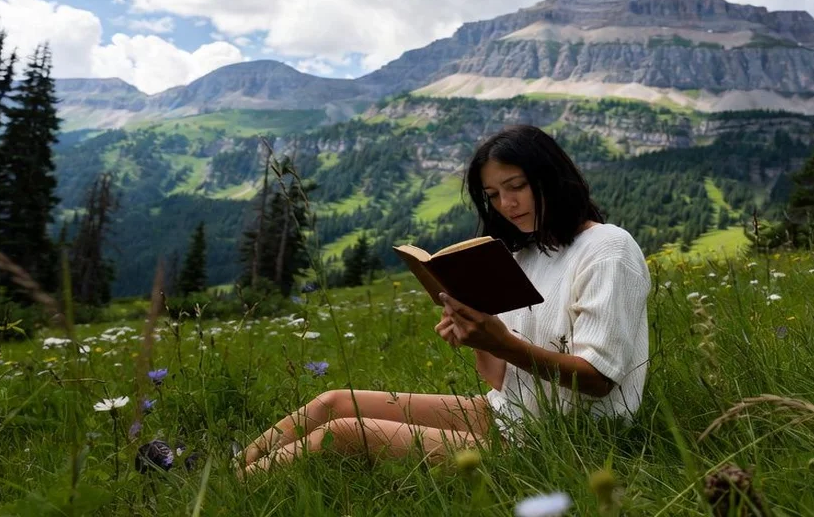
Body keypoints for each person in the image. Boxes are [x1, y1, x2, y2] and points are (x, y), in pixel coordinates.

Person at [238, 124, 651, 475]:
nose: (506, 204)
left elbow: (599, 379)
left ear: (551, 177)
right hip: (510, 415)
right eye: (492, 195)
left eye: (517, 186)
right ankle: (225, 472)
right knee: (333, 402)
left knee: (347, 431)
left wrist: (502, 342)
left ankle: (229, 495)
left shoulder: (608, 249)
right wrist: (477, 334)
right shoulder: (524, 254)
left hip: (571, 438)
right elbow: (498, 380)